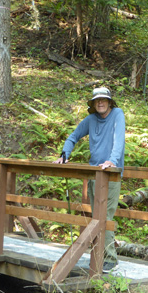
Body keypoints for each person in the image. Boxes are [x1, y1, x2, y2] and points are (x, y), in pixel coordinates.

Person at [53, 87, 125, 273]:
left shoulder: (117, 114)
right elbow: (73, 136)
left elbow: (119, 140)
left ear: (110, 102)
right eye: (97, 100)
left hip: (111, 174)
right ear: (93, 104)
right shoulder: (91, 120)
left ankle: (111, 260)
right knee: (96, 217)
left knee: (105, 217)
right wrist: (64, 154)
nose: (100, 102)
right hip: (94, 174)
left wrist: (112, 160)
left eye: (104, 99)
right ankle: (99, 256)